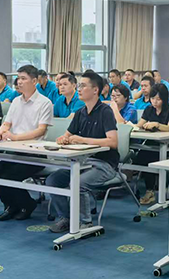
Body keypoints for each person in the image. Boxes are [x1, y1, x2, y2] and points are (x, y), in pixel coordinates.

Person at [48, 71, 120, 232]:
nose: (79, 89)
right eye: (79, 86)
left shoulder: (105, 111)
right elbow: (66, 135)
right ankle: (67, 218)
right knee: (53, 180)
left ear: (95, 90)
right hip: (82, 162)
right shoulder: (80, 113)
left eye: (83, 86)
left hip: (104, 164)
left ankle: (86, 223)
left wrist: (82, 139)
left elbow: (113, 142)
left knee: (79, 183)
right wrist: (63, 139)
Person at [0, 65, 53, 221]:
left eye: (24, 78)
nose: (19, 82)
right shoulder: (16, 101)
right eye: (18, 78)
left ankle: (27, 204)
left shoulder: (45, 103)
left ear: (34, 81)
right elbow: (7, 123)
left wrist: (16, 137)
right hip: (15, 151)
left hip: (35, 154)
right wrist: (1, 132)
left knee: (9, 176)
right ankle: (10, 205)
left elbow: (41, 131)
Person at [135, 83, 169, 204]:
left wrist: (156, 124)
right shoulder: (149, 109)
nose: (155, 102)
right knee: (143, 156)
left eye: (158, 99)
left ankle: (160, 190)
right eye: (152, 98)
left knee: (151, 156)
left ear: (164, 99)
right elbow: (139, 125)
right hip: (155, 143)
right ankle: (150, 190)